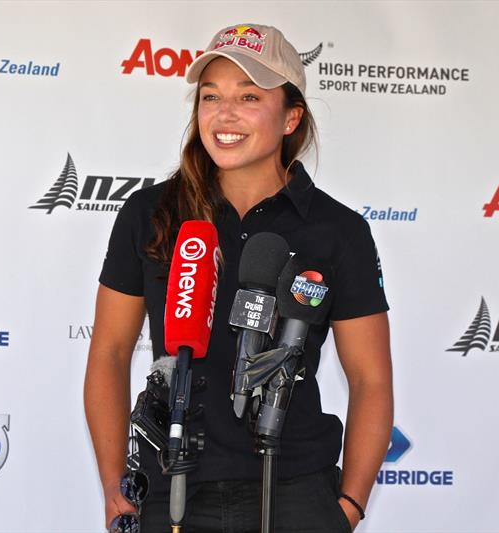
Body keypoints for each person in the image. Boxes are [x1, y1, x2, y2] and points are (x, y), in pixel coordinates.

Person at [84, 23, 392, 533]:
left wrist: (349, 506)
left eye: (249, 96)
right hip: (172, 489)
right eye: (211, 96)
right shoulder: (150, 212)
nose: (224, 114)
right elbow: (110, 354)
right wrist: (117, 485)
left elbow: (372, 379)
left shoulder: (339, 230)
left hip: (295, 491)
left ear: (291, 116)